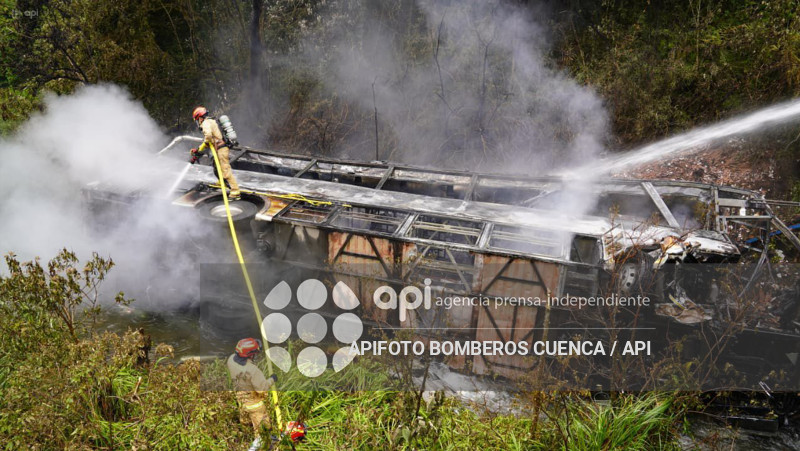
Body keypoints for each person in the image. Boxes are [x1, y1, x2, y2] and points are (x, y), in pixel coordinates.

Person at [226, 338, 277, 434]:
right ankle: (265, 441)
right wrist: (272, 379)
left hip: (240, 399)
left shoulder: (230, 360)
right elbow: (262, 388)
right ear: (250, 355)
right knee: (263, 429)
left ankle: (246, 434)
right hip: (254, 405)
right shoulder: (253, 370)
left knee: (245, 422)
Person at [190, 106, 241, 200]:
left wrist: (203, 145)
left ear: (200, 117)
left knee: (225, 169)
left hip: (221, 149)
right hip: (219, 148)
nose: (198, 122)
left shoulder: (205, 123)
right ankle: (221, 181)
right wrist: (198, 149)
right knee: (216, 166)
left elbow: (208, 136)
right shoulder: (211, 121)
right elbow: (210, 140)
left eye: (197, 120)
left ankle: (235, 191)